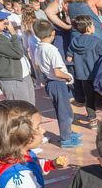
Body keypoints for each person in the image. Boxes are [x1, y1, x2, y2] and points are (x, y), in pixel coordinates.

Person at [34, 19, 81, 148]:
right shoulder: (52, 50)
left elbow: (37, 65)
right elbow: (58, 72)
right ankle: (66, 139)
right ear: (53, 33)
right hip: (57, 82)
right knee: (64, 111)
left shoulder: (38, 48)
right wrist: (69, 77)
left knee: (62, 109)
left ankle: (68, 132)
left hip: (50, 81)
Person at [0, 4, 36, 105]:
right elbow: (17, 53)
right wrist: (13, 33)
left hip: (22, 75)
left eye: (3, 18)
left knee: (31, 109)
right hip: (13, 79)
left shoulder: (1, 32)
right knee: (22, 112)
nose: (5, 21)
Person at [67, 15, 102, 128]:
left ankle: (92, 119)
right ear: (89, 27)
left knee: (88, 98)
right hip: (97, 74)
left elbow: (69, 59)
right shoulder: (97, 41)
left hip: (83, 75)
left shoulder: (74, 41)